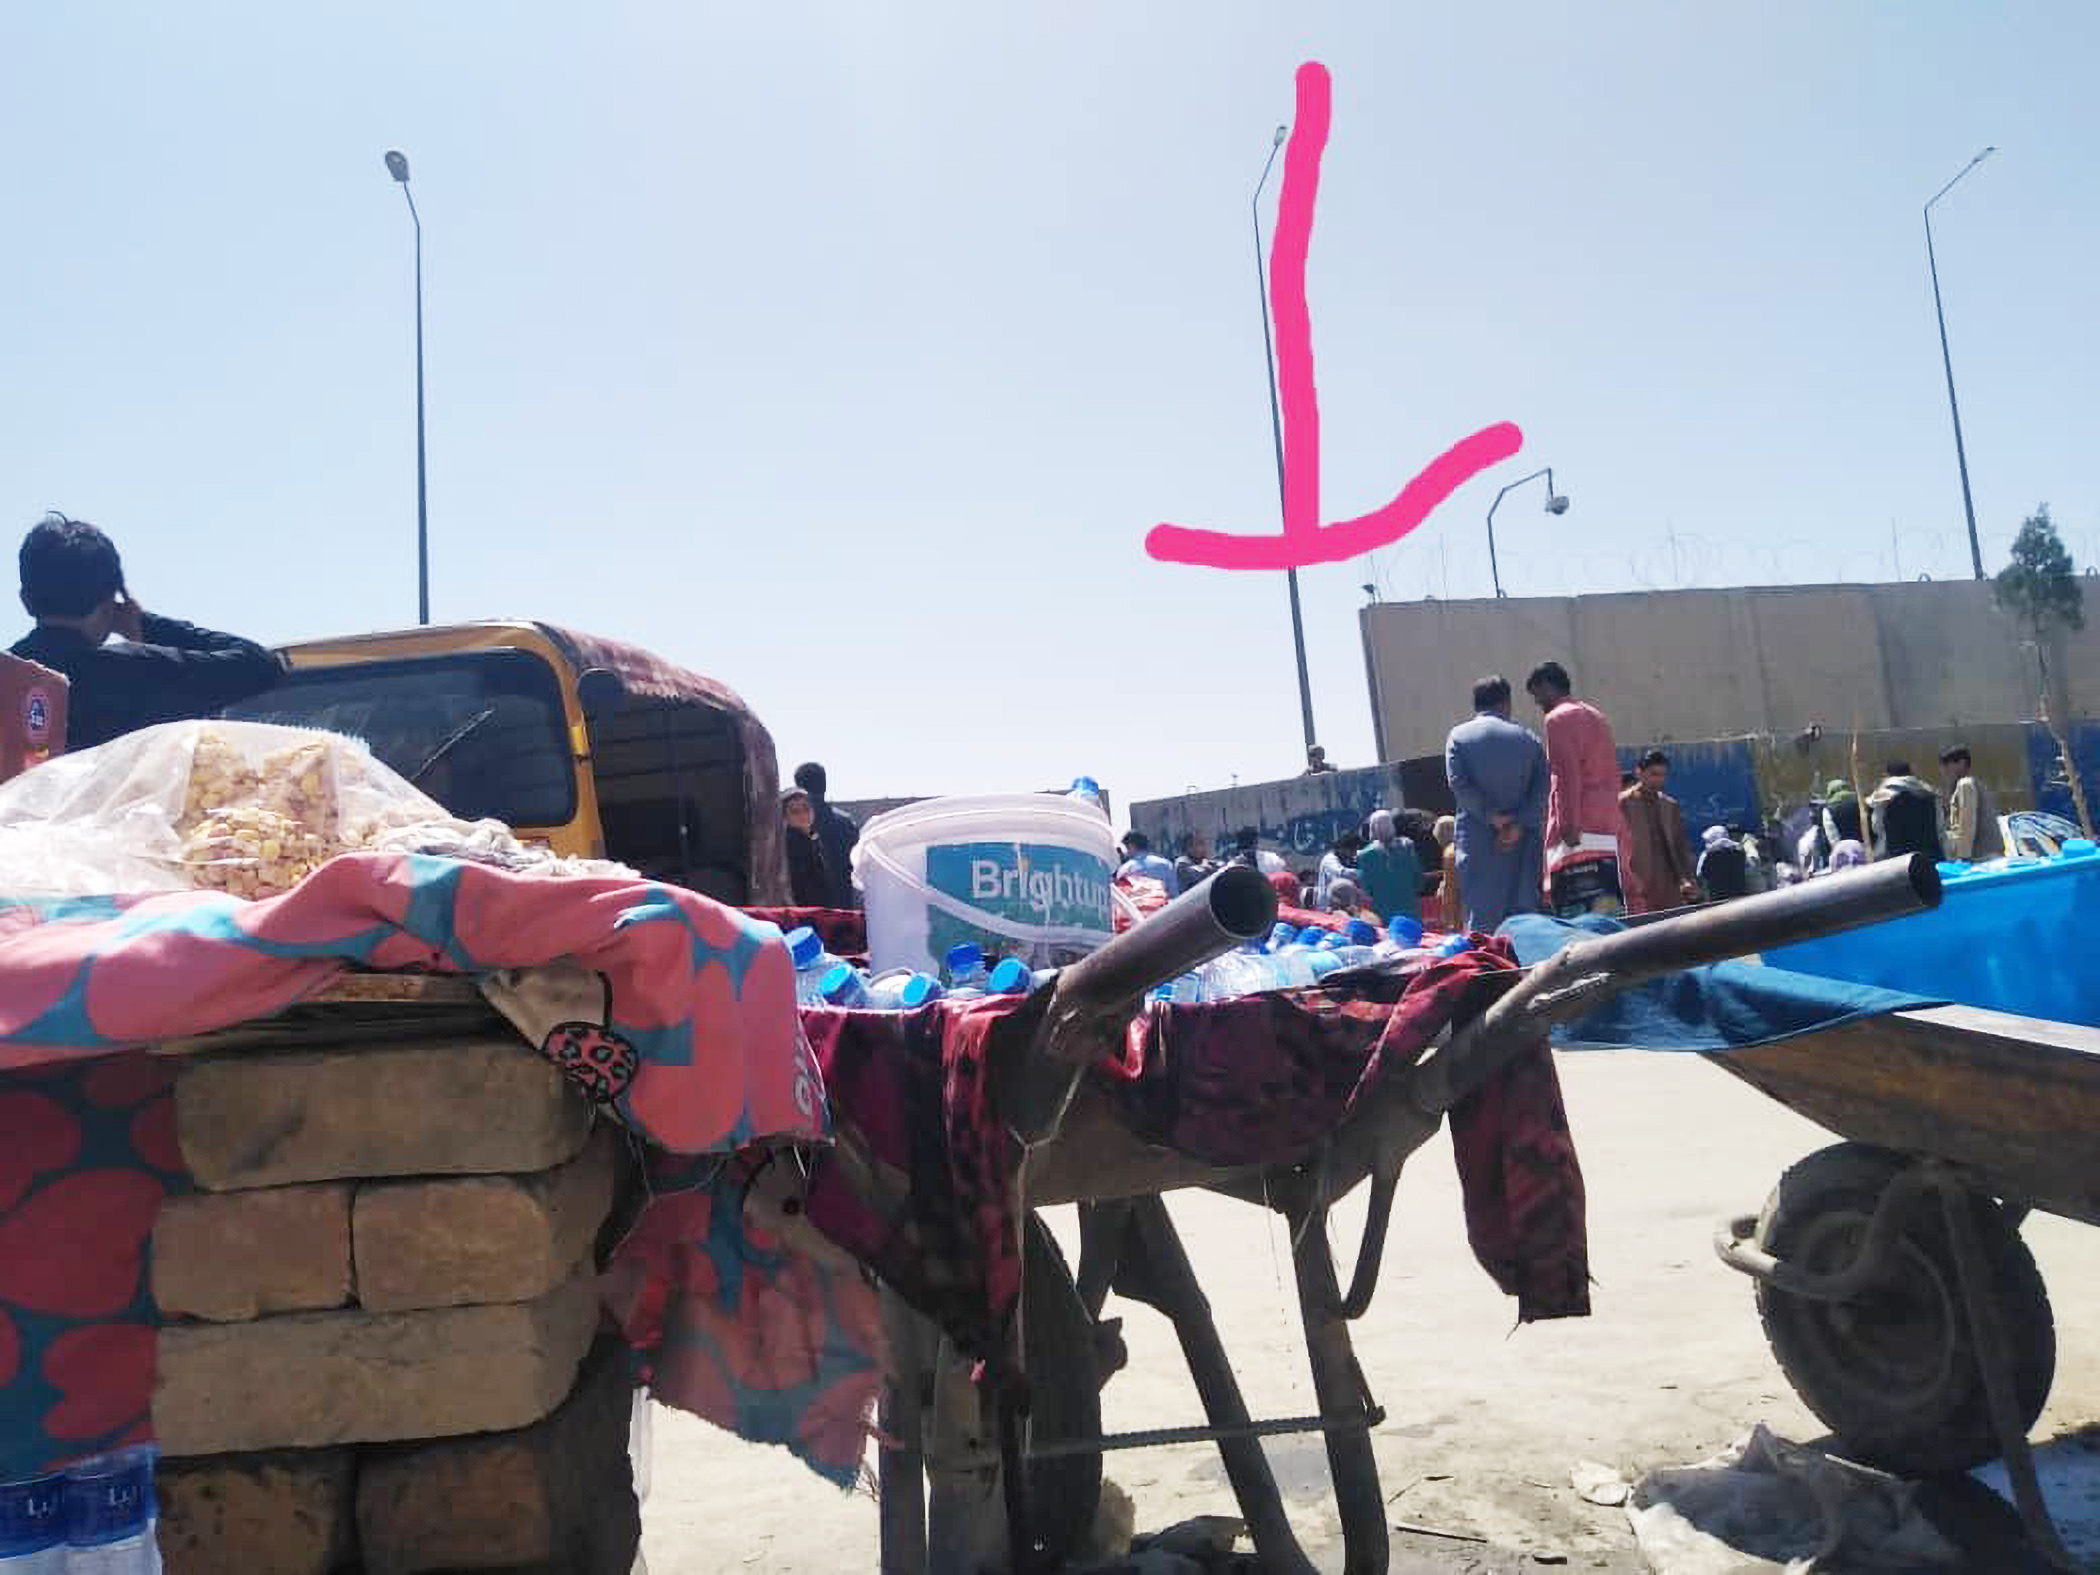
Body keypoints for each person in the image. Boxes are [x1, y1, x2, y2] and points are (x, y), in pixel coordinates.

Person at [10, 513, 282, 750]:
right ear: (108, 603)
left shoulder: (7, 676)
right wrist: (145, 625)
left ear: (26, 600)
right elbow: (261, 665)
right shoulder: (133, 669)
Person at [1525, 661, 1633, 919]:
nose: (1538, 703)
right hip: (1608, 821)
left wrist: (1567, 826)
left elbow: (1567, 776)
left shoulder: (1557, 719)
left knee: (1576, 906)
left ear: (1547, 686)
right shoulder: (1595, 715)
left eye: (1537, 696)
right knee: (1613, 900)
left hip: (1579, 825)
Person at [1444, 675, 1548, 932]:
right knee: (1526, 920)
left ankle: (1490, 970)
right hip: (1523, 843)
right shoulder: (1529, 739)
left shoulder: (1458, 737)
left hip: (1479, 842)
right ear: (1506, 702)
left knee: (1482, 922)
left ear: (1475, 704)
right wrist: (1517, 824)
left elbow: (1459, 785)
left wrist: (1493, 818)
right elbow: (1542, 790)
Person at [1619, 749, 1700, 913]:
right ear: (1639, 772)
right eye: (1654, 774)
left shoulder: (1670, 805)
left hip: (1669, 884)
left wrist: (1688, 879)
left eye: (1663, 775)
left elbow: (1680, 845)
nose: (1659, 779)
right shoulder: (1623, 803)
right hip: (1638, 885)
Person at [792, 761, 860, 909]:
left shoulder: (792, 826)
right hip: (842, 909)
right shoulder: (846, 823)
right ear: (824, 785)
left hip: (806, 912)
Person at [1354, 809, 1423, 924]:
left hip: (1383, 910)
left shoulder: (1364, 855)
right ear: (1391, 825)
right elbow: (1418, 879)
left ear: (1373, 828)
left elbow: (1366, 887)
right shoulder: (1408, 846)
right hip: (1409, 908)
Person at [1867, 761, 1944, 862]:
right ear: (1910, 773)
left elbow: (1877, 827)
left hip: (1897, 857)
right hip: (1929, 855)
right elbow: (1940, 827)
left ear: (1888, 775)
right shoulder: (1929, 794)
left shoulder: (1882, 797)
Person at [1939, 746, 2005, 862]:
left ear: (1962, 763)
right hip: (1990, 853)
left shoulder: (1965, 785)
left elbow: (1967, 822)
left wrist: (1963, 856)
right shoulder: (1976, 784)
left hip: (1981, 856)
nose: (1944, 770)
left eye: (1947, 764)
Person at [781, 787, 832, 907]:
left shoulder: (813, 838)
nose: (803, 814)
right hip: (804, 912)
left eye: (806, 808)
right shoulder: (791, 845)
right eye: (795, 811)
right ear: (785, 817)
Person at [1696, 824, 1749, 900]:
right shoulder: (1739, 851)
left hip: (1716, 897)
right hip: (1738, 896)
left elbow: (1700, 874)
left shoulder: (1708, 853)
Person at [1314, 830, 1361, 909]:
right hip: (1327, 907)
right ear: (1343, 848)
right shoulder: (1329, 859)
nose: (1354, 853)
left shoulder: (1348, 859)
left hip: (1342, 906)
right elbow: (1341, 873)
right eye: (1353, 850)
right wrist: (1363, 873)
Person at [1432, 814, 1462, 931]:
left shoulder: (1450, 853)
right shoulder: (1466, 846)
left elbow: (1450, 889)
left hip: (1460, 910)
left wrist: (1449, 919)